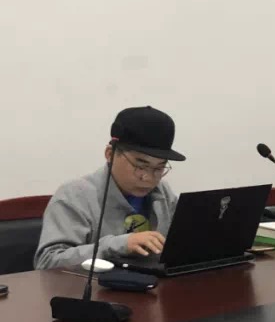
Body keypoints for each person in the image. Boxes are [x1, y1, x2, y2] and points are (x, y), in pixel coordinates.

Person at [34, 106, 185, 270]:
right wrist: (117, 245)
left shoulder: (163, 193)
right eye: (140, 166)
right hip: (94, 286)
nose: (148, 177)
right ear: (110, 154)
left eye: (159, 168)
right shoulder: (74, 196)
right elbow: (47, 262)